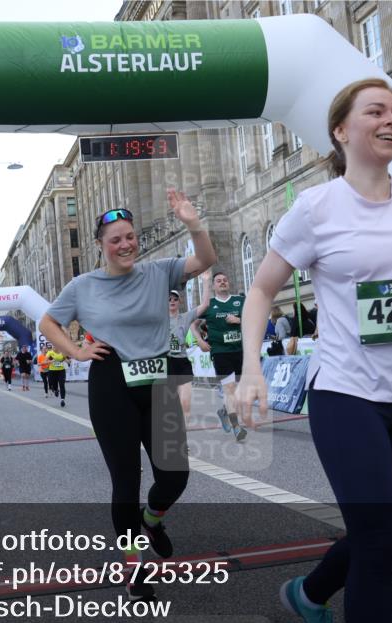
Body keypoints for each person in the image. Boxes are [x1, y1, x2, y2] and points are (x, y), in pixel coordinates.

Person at [236, 78, 392, 623]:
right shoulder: (315, 208)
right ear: (341, 130)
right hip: (344, 392)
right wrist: (251, 369)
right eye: (376, 111)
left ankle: (309, 595)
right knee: (380, 543)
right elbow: (260, 291)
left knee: (384, 538)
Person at [40, 189, 216, 602]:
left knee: (175, 475)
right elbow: (48, 322)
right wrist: (77, 351)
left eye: (130, 236)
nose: (125, 245)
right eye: (115, 239)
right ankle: (133, 565)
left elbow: (205, 260)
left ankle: (151, 520)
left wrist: (193, 223)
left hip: (157, 381)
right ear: (100, 246)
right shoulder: (83, 285)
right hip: (111, 384)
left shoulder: (158, 271)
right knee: (126, 480)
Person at [200, 270, 249, 442]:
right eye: (219, 280)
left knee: (239, 391)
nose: (222, 282)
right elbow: (192, 321)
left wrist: (239, 320)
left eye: (225, 280)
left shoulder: (240, 301)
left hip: (240, 351)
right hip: (221, 352)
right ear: (213, 286)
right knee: (229, 390)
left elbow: (256, 317)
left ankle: (223, 411)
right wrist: (200, 341)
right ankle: (237, 427)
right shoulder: (209, 304)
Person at [167, 287, 208, 421]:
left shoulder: (185, 317)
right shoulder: (159, 319)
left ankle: (183, 437)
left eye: (175, 299)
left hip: (182, 362)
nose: (172, 301)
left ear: (180, 301)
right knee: (170, 406)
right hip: (166, 362)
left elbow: (205, 305)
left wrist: (206, 282)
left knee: (185, 404)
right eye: (169, 299)